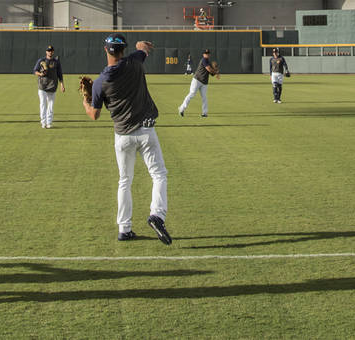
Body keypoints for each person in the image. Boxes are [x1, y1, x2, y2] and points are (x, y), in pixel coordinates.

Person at [82, 33, 171, 245]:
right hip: (146, 131)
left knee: (125, 181)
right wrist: (144, 45)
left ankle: (125, 228)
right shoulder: (134, 63)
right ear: (124, 50)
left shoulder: (101, 82)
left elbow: (94, 114)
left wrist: (85, 100)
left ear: (106, 50)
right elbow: (141, 49)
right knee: (158, 175)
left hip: (122, 136)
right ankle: (157, 215)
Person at [179, 48, 219, 117]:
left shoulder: (208, 62)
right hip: (197, 80)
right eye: (206, 53)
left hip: (204, 82)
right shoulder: (204, 60)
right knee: (191, 94)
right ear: (203, 54)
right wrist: (215, 71)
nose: (207, 54)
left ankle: (205, 113)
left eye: (208, 53)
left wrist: (216, 71)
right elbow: (209, 69)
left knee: (204, 97)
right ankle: (182, 109)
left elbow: (212, 73)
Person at [33, 45, 65, 128]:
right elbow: (35, 71)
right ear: (46, 52)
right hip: (42, 86)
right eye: (48, 50)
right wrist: (41, 73)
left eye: (51, 50)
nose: (50, 52)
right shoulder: (41, 60)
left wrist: (62, 84)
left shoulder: (56, 61)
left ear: (53, 52)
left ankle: (49, 122)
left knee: (50, 105)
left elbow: (60, 74)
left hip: (52, 85)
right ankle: (43, 122)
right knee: (43, 104)